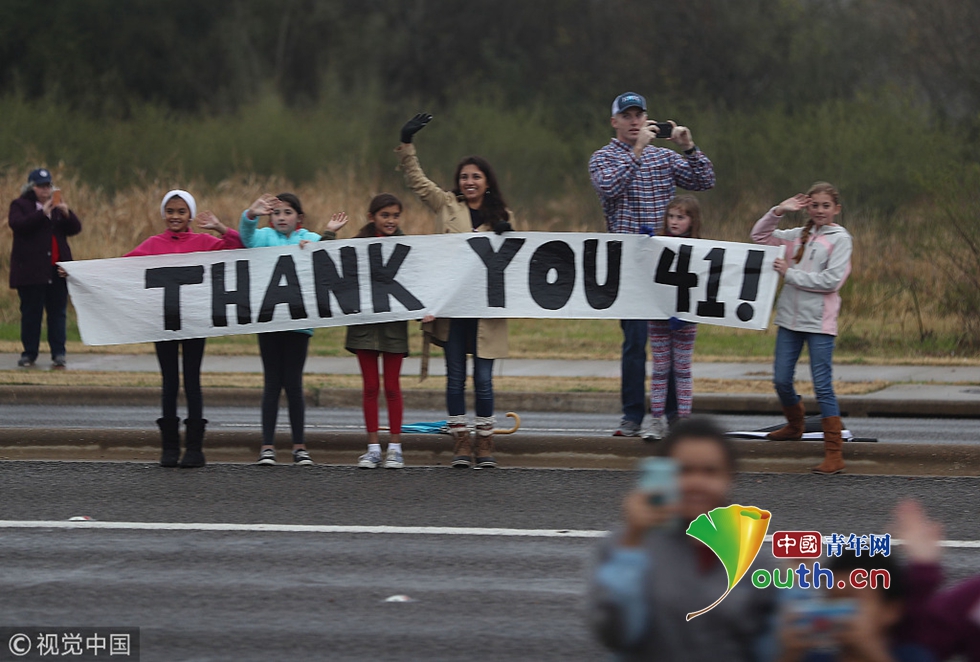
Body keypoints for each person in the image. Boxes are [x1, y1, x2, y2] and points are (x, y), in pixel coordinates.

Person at [590, 416, 777, 660]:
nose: (696, 483)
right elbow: (615, 633)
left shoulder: (755, 561)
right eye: (683, 470)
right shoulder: (626, 545)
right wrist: (632, 542)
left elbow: (767, 648)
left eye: (710, 472)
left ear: (729, 478)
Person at [589, 92, 716, 438]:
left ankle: (673, 415)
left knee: (671, 343)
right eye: (626, 116)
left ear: (647, 119)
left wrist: (689, 147)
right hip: (629, 266)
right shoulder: (603, 158)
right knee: (635, 342)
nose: (634, 121)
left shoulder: (664, 157)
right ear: (614, 122)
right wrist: (637, 151)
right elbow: (609, 188)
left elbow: (705, 181)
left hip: (667, 266)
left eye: (639, 115)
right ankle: (632, 415)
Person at [396, 113, 515, 470]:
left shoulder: (503, 215)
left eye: (475, 177)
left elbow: (516, 262)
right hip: (452, 309)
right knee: (455, 378)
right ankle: (461, 441)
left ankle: (485, 441)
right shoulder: (446, 204)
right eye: (464, 177)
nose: (469, 182)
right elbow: (417, 183)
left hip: (485, 312)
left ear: (487, 182)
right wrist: (407, 143)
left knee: (484, 380)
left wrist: (510, 235)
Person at [126, 190, 243, 467]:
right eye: (170, 211)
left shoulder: (204, 242)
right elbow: (118, 267)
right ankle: (169, 448)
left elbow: (239, 247)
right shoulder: (153, 244)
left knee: (192, 381)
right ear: (163, 214)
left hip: (194, 323)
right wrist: (76, 272)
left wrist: (219, 227)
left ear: (190, 214)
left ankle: (194, 448)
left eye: (181, 211)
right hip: (163, 323)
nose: (175, 217)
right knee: (169, 383)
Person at [751, 183, 853, 474]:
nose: (820, 211)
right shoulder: (796, 236)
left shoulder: (841, 239)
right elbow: (759, 236)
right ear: (807, 207)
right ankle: (795, 426)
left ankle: (834, 453)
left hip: (819, 323)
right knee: (781, 380)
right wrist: (779, 210)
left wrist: (790, 274)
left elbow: (831, 282)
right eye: (814, 205)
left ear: (836, 209)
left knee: (822, 386)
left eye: (825, 206)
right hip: (789, 320)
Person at [239, 193, 348, 466]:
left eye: (287, 212)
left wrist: (327, 234)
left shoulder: (307, 238)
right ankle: (267, 447)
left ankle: (299, 447)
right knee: (272, 384)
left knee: (293, 384)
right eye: (276, 213)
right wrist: (251, 214)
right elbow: (246, 237)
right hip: (269, 322)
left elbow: (326, 258)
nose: (281, 217)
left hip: (299, 323)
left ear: (299, 217)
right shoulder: (264, 237)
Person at [330, 193, 410, 470]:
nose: (391, 221)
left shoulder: (408, 247)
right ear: (371, 217)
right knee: (371, 387)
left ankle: (396, 449)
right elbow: (325, 262)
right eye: (385, 215)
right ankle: (373, 449)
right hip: (363, 327)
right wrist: (329, 234)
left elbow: (422, 280)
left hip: (394, 328)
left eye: (395, 216)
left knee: (392, 387)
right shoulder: (358, 246)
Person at [8, 168, 82, 369]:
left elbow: (75, 228)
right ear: (31, 187)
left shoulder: (56, 208)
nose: (45, 190)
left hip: (56, 271)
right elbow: (18, 225)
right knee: (31, 315)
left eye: (48, 186)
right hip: (31, 272)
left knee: (57, 314)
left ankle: (59, 353)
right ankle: (29, 354)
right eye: (41, 186)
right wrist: (42, 213)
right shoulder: (20, 205)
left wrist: (67, 213)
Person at [644, 196, 703, 441]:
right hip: (658, 316)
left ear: (692, 220)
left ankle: (684, 421)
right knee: (659, 368)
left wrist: (687, 313)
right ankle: (656, 419)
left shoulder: (700, 248)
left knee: (682, 368)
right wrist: (644, 246)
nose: (674, 222)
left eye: (681, 217)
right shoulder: (657, 244)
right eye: (671, 216)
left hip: (685, 318)